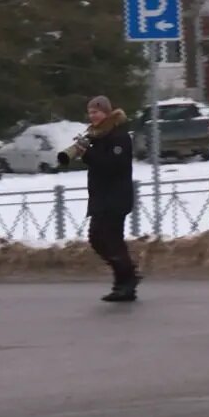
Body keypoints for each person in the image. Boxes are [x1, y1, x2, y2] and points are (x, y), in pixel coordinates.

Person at [59, 95, 140, 302]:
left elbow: (113, 165)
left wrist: (88, 154)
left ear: (107, 112)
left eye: (96, 112)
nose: (92, 116)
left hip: (115, 198)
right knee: (98, 238)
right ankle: (125, 277)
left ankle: (126, 282)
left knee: (110, 239)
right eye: (90, 112)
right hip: (101, 198)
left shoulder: (118, 136)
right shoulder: (97, 135)